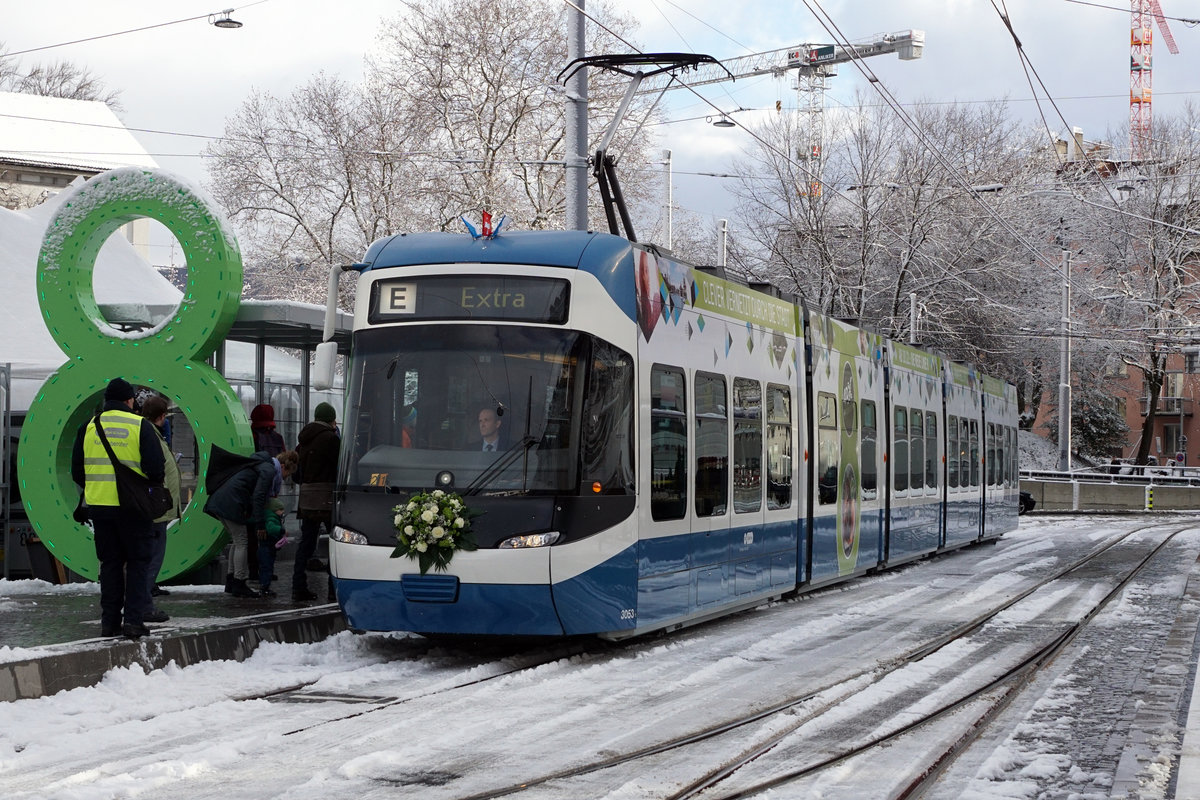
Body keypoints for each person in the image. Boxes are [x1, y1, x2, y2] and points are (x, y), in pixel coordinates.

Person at [71, 377, 166, 639]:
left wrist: (97, 489)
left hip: (100, 507)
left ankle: (109, 622)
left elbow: (77, 471)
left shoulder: (89, 427)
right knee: (138, 564)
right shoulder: (140, 426)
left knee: (110, 564)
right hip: (134, 508)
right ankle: (133, 622)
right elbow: (156, 469)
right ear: (129, 400)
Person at [204, 446, 297, 598]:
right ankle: (239, 582)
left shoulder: (261, 465)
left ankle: (231, 581)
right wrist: (260, 525)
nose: (285, 478)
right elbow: (259, 497)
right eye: (287, 474)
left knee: (237, 540)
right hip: (230, 503)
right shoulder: (269, 471)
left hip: (222, 501)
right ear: (283, 467)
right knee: (242, 542)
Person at [140, 395, 181, 622]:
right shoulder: (150, 436)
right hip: (156, 507)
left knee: (149, 557)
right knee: (153, 557)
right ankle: (144, 605)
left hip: (155, 505)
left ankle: (141, 602)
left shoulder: (151, 434)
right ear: (162, 416)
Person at [294, 401, 340, 602]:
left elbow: (296, 474)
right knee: (334, 543)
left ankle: (298, 586)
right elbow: (339, 467)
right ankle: (333, 588)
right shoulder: (331, 439)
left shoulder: (303, 440)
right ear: (332, 419)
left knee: (305, 544)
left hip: (307, 498)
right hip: (327, 498)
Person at [258, 497, 288, 597]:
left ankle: (265, 586)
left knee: (266, 567)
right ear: (274, 510)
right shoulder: (271, 518)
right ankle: (264, 587)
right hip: (267, 547)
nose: (283, 512)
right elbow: (271, 529)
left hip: (268, 547)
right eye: (281, 510)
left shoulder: (272, 517)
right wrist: (281, 531)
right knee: (267, 567)